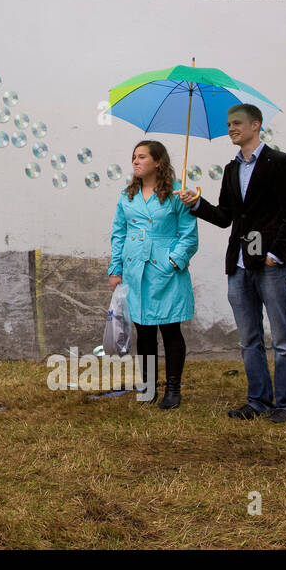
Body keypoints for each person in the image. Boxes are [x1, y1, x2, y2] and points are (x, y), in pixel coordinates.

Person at [179, 104, 286, 423]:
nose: (231, 128)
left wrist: (276, 254)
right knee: (249, 337)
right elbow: (225, 217)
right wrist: (197, 204)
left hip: (271, 265)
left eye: (236, 123)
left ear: (255, 125)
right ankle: (258, 400)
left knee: (283, 338)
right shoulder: (231, 169)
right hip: (238, 265)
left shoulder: (280, 163)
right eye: (228, 123)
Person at [108, 140, 199, 408]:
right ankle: (148, 388)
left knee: (170, 329)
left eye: (142, 157)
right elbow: (119, 233)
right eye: (134, 156)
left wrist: (174, 261)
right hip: (136, 271)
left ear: (158, 162)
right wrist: (116, 268)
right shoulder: (127, 195)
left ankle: (173, 389)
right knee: (144, 331)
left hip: (166, 272)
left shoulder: (176, 195)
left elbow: (188, 235)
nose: (136, 161)